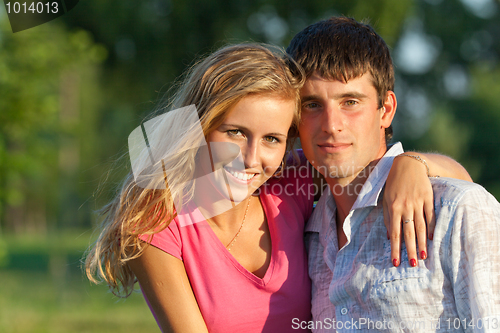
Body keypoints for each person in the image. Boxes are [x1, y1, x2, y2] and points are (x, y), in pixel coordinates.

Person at [85, 43, 471, 333]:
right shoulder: (156, 224)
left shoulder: (290, 183)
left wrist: (413, 164)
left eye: (272, 138)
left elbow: (462, 180)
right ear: (198, 126)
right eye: (235, 132)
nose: (251, 158)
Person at [286, 16, 500, 332]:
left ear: (386, 109)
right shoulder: (307, 238)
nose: (331, 125)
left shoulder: (456, 210)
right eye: (312, 105)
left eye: (350, 101)